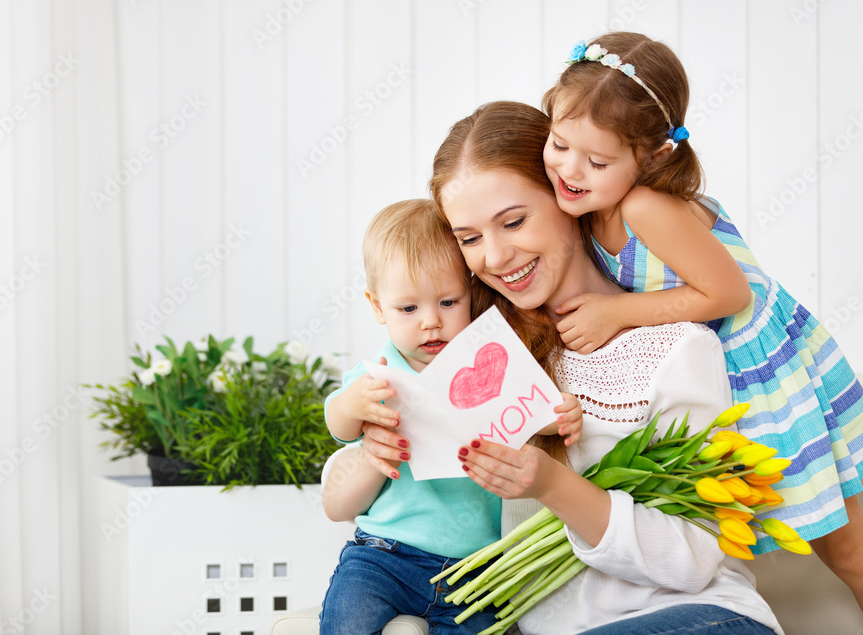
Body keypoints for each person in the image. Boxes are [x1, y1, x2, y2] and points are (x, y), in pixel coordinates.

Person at [328, 101, 783, 634]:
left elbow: (696, 558)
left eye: (514, 221)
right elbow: (365, 484)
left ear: (569, 198)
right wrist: (371, 448)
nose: (494, 256)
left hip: (695, 620)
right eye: (469, 238)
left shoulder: (676, 346)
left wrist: (551, 484)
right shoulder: (476, 348)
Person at [539, 31, 863, 632]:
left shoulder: (643, 207)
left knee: (848, 550)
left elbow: (728, 293)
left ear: (654, 157)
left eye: (597, 161)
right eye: (559, 144)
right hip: (715, 376)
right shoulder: (589, 201)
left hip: (765, 380)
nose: (570, 170)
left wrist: (615, 315)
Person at [318, 198, 582, 635]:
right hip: (385, 554)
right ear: (377, 306)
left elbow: (535, 413)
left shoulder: (490, 365)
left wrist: (562, 416)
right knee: (347, 622)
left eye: (447, 302)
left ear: (470, 294)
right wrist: (352, 408)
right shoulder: (380, 378)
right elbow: (337, 420)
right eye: (408, 309)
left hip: (474, 569)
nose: (430, 323)